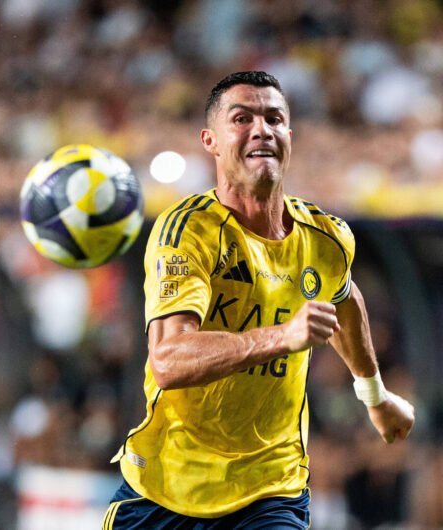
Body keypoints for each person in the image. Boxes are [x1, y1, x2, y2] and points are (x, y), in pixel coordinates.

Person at [104, 71, 415, 529]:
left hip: (271, 492)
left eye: (274, 118)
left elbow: (345, 299)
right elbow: (168, 360)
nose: (261, 129)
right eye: (242, 118)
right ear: (210, 141)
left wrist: (374, 395)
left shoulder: (325, 237)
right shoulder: (188, 232)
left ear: (289, 135)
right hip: (165, 490)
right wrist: (281, 337)